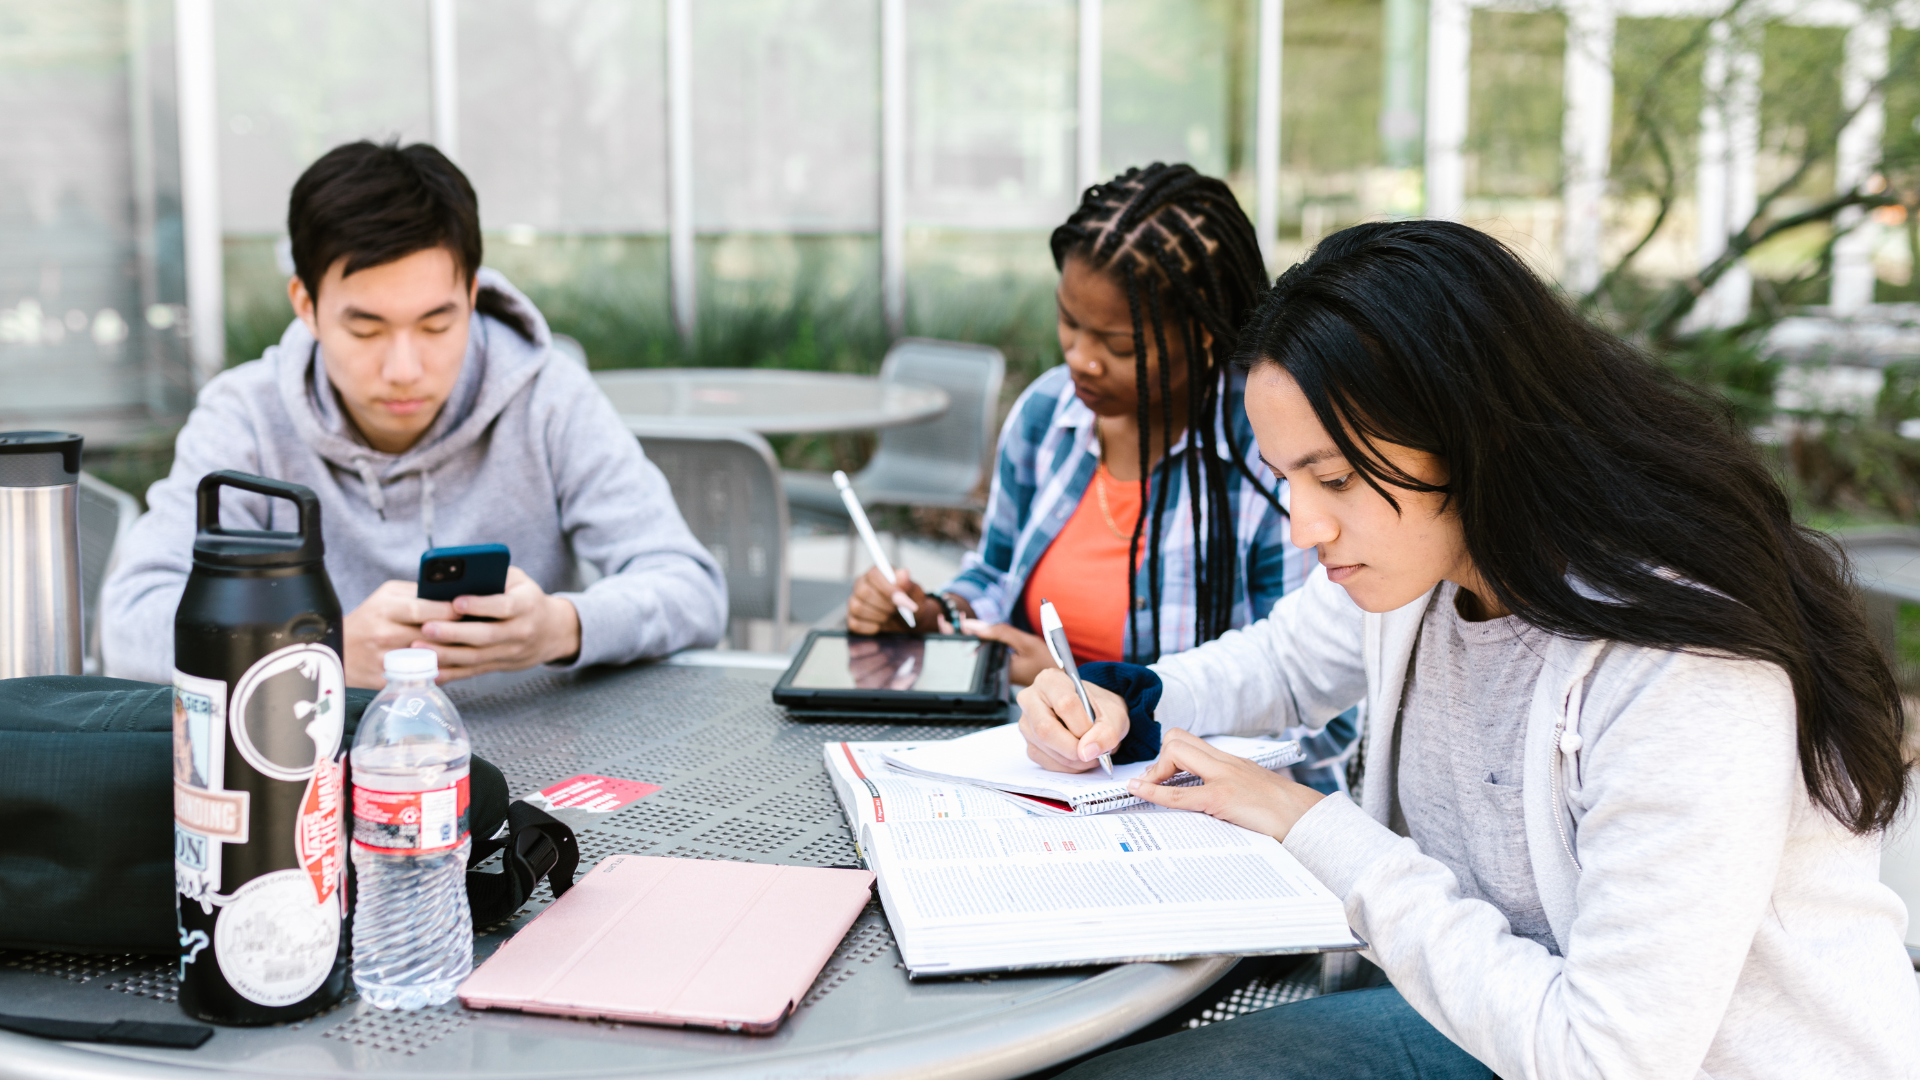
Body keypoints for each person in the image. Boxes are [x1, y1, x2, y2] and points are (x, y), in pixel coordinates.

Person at [1019, 220, 1920, 1079]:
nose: (1303, 526)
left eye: (1333, 477)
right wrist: (1121, 704)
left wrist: (1311, 825)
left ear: (1473, 433)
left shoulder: (1683, 670)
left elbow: (1604, 1061)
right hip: (1497, 1029)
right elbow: (1281, 666)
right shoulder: (1431, 561)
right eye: (1286, 477)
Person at [102, 141, 726, 688]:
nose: (404, 367)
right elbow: (130, 622)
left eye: (436, 323)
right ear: (306, 304)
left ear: (473, 294)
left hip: (539, 770)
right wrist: (321, 652)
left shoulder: (548, 397)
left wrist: (561, 627)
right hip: (316, 775)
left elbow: (691, 587)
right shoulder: (246, 418)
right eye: (366, 328)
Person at [846, 163, 1352, 789]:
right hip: (1045, 777)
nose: (1080, 359)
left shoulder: (1268, 449)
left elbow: (1315, 700)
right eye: (1069, 323)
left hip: (1210, 806)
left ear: (1200, 334)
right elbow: (997, 573)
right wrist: (938, 617)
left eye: (1117, 345)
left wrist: (1093, 689)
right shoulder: (1045, 417)